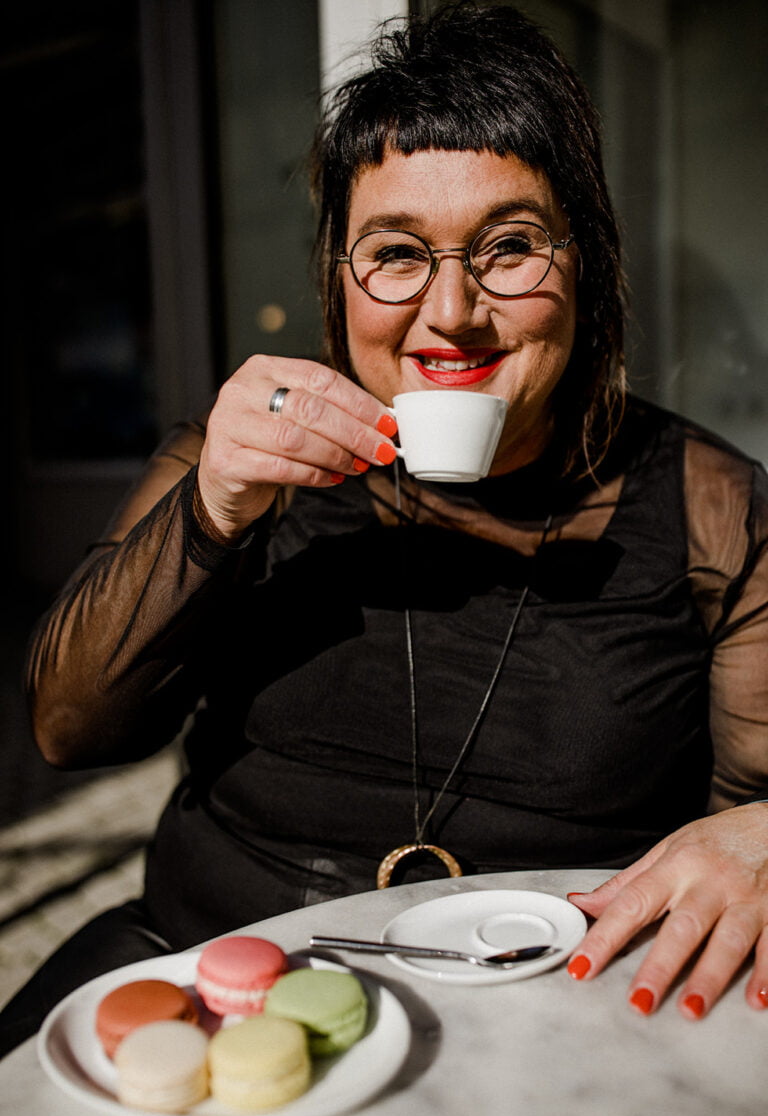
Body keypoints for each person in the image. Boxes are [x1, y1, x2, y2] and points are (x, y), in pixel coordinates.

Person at [3, 1, 768, 1057]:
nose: (450, 313)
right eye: (396, 254)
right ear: (339, 278)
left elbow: (742, 841)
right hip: (210, 967)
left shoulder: (710, 507)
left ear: (582, 266)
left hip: (545, 1022)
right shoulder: (245, 457)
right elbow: (68, 730)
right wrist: (214, 509)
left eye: (509, 248)